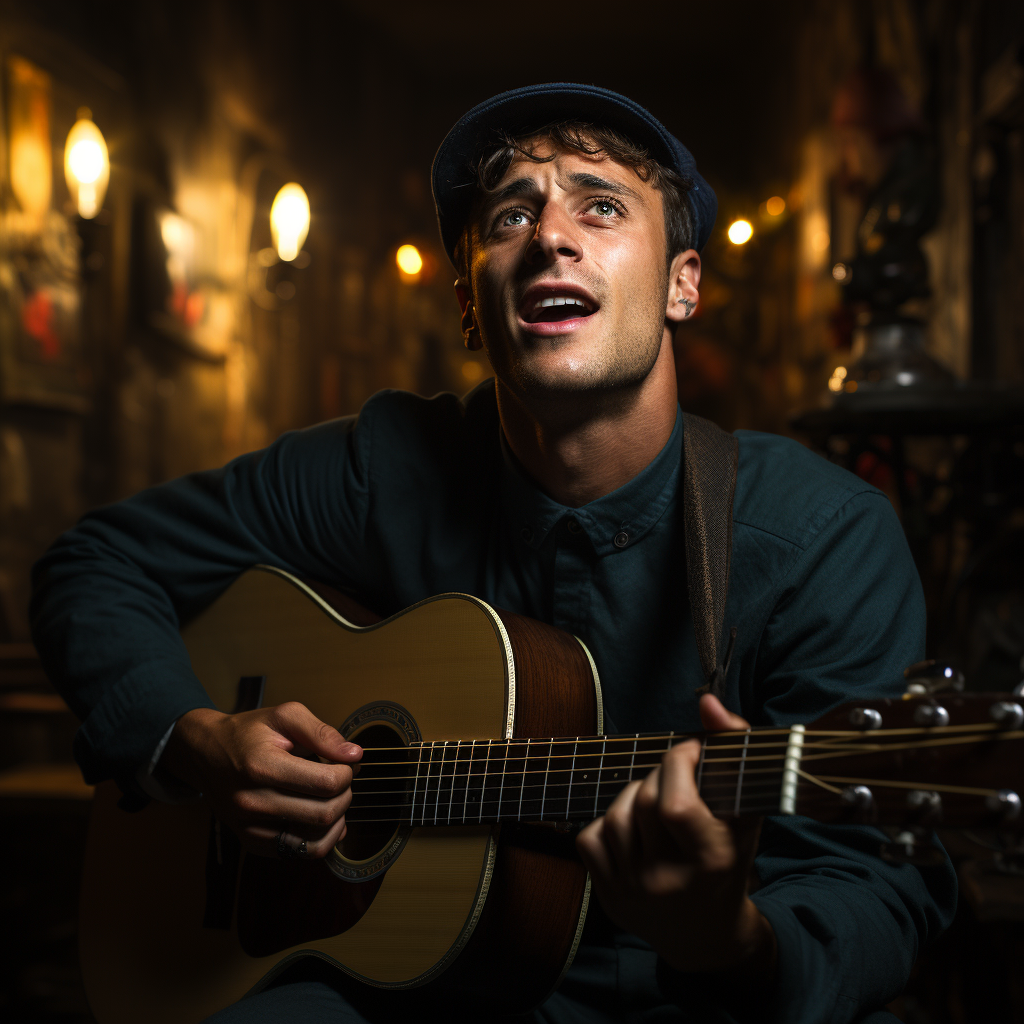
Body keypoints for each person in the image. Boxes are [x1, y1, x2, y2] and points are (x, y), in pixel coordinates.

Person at [31, 84, 955, 1023]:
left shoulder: (821, 537)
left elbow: (877, 883)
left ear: (684, 284)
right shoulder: (382, 467)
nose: (552, 234)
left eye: (601, 205)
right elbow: (96, 562)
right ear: (473, 306)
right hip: (396, 990)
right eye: (511, 213)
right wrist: (193, 739)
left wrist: (732, 942)